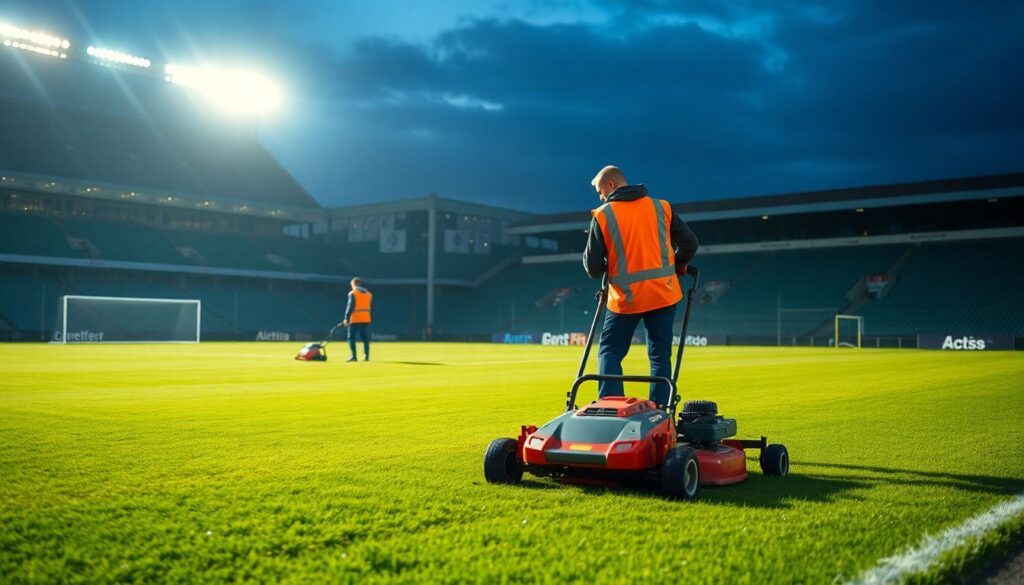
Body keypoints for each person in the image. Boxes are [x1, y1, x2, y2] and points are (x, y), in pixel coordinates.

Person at [583, 165, 699, 408]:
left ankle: (612, 406)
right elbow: (690, 244)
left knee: (610, 352)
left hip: (626, 300)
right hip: (663, 295)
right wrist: (677, 265)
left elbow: (592, 267)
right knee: (659, 356)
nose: (600, 196)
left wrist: (609, 263)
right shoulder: (662, 207)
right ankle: (659, 412)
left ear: (611, 185)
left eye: (600, 190)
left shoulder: (604, 215)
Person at [342, 277, 373, 362]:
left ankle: (353, 356)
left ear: (353, 284)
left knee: (351, 338)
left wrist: (346, 319)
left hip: (355, 319)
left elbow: (350, 307)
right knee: (365, 338)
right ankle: (366, 356)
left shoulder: (353, 293)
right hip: (366, 319)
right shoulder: (369, 294)